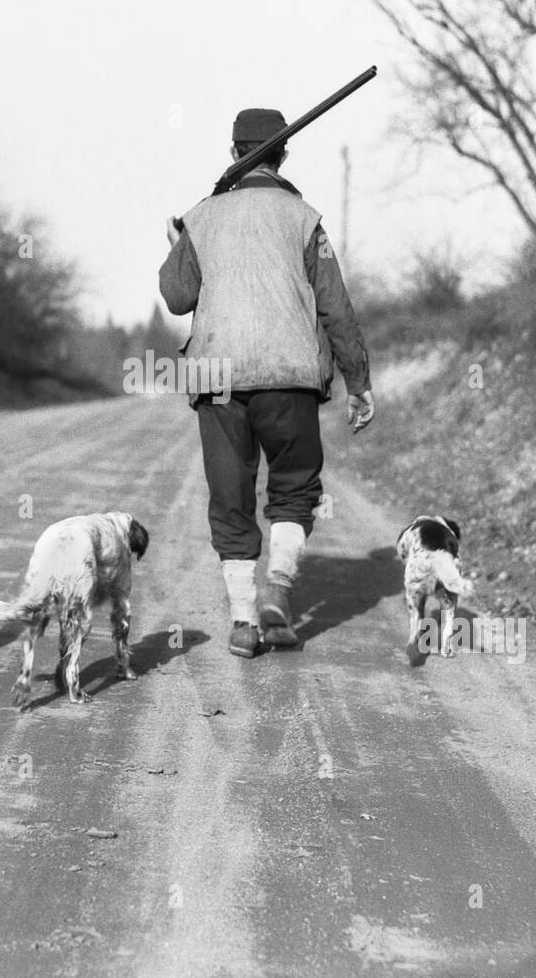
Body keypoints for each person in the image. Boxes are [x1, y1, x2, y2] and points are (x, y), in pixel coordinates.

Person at [158, 106, 375, 657]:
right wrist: (359, 381)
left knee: (231, 499)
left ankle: (243, 623)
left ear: (234, 153)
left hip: (218, 381)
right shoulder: (305, 219)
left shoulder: (200, 217)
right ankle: (278, 588)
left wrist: (176, 243)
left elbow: (178, 296)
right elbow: (336, 307)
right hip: (289, 378)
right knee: (295, 487)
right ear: (283, 154)